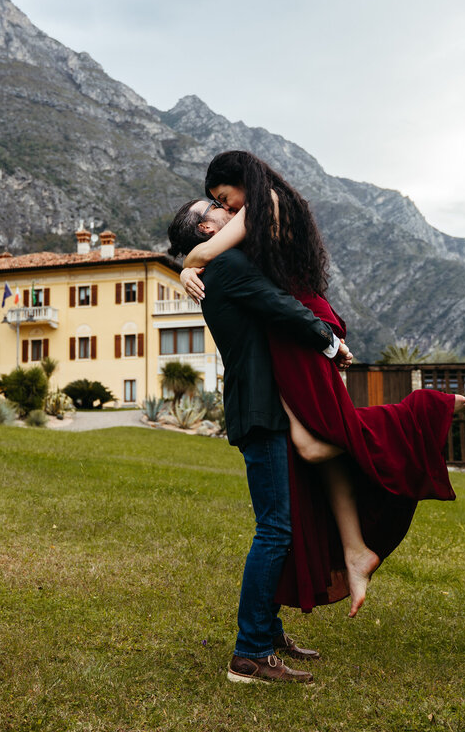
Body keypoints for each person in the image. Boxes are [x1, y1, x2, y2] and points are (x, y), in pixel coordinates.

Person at [172, 150, 465, 619]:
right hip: (293, 327)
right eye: (214, 205)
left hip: (301, 321)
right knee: (314, 453)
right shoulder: (241, 239)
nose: (223, 206)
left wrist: (188, 266)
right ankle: (355, 550)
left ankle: (419, 410)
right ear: (207, 224)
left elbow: (206, 254)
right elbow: (218, 259)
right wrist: (192, 265)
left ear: (237, 180)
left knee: (322, 442)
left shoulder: (263, 203)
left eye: (220, 196)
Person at [166, 198, 350, 685]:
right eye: (220, 208)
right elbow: (278, 306)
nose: (232, 211)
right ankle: (249, 653)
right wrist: (329, 341)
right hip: (262, 411)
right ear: (208, 227)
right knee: (274, 530)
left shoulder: (214, 264)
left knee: (278, 526)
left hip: (265, 407)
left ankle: (267, 633)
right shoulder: (224, 265)